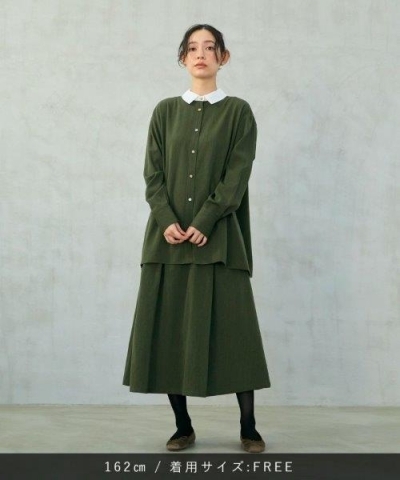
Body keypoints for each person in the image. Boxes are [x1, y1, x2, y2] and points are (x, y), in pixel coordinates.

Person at [123, 24, 271, 453]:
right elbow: (153, 175)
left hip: (221, 241)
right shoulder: (164, 112)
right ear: (183, 58)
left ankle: (248, 427)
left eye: (210, 47)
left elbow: (237, 175)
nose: (200, 54)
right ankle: (183, 426)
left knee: (237, 333)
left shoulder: (239, 112)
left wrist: (205, 219)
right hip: (166, 241)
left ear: (223, 57)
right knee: (169, 330)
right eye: (192, 48)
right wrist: (165, 218)